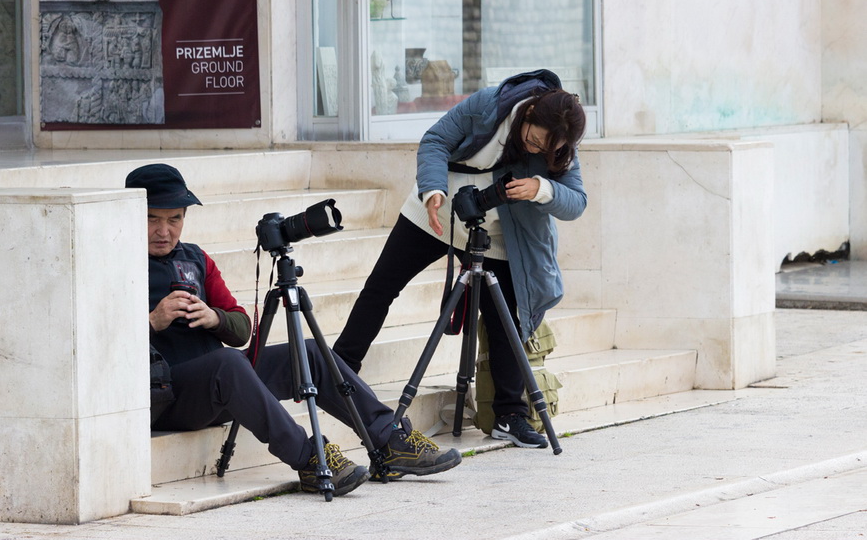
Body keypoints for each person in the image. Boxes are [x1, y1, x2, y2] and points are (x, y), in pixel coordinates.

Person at [128, 163, 461, 497]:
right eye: (152, 218)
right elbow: (93, 347)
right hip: (165, 396)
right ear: (129, 214)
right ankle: (310, 459)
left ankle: (391, 440)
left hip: (223, 387)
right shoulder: (114, 261)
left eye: (175, 219)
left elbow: (242, 328)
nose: (164, 231)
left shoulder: (196, 258)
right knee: (229, 363)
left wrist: (216, 318)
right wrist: (152, 321)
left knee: (308, 353)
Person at [333, 69, 587, 449]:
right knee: (382, 286)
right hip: (438, 209)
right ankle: (339, 371)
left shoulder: (558, 141)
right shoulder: (490, 104)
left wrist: (542, 187)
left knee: (508, 315)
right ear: (528, 113)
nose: (536, 150)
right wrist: (432, 189)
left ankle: (509, 414)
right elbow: (435, 140)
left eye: (545, 149)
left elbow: (576, 201)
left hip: (503, 230)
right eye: (533, 140)